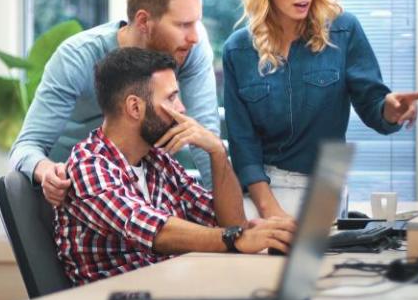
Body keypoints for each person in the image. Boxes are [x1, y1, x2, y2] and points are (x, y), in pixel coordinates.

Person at [223, 0, 418, 219]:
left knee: (320, 265)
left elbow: (373, 106)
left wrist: (390, 109)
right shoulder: (238, 50)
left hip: (326, 186)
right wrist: (271, 211)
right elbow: (243, 144)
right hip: (263, 194)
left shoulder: (344, 29)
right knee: (258, 266)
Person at [55, 47, 296, 285]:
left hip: (169, 294)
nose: (181, 108)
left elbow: (229, 224)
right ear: (135, 107)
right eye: (171, 97)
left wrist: (217, 152)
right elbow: (153, 230)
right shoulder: (88, 165)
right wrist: (237, 238)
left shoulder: (157, 160)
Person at [10, 0, 221, 207]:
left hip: (137, 190)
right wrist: (46, 171)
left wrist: (227, 220)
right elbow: (26, 146)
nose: (194, 36)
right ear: (143, 21)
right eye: (183, 24)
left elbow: (204, 136)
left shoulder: (189, 48)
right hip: (75, 194)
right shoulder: (76, 57)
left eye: (196, 22)